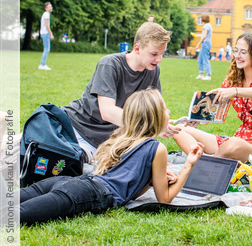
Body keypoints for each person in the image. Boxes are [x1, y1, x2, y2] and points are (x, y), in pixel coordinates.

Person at [19, 89, 205, 225]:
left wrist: (150, 181)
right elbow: (164, 198)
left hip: (69, 181)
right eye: (165, 110)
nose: (169, 113)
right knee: (16, 215)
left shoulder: (124, 138)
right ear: (155, 117)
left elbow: (129, 189)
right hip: (88, 193)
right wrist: (188, 164)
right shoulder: (157, 148)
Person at [63, 22, 177, 164]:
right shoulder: (110, 64)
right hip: (79, 130)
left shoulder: (153, 71)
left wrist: (162, 122)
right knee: (70, 163)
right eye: (154, 54)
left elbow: (155, 110)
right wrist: (149, 125)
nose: (159, 60)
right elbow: (108, 112)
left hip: (113, 141)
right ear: (137, 48)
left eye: (162, 54)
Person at [173, 32, 252, 167]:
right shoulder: (234, 80)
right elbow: (215, 111)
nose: (237, 56)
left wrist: (234, 92)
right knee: (179, 129)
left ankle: (204, 166)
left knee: (232, 145)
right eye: (236, 51)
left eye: (243, 52)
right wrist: (198, 118)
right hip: (241, 136)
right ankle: (203, 161)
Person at [195, 15, 212, 80]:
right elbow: (204, 35)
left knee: (205, 60)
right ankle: (201, 74)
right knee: (200, 60)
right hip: (205, 44)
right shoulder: (208, 25)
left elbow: (204, 36)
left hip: (205, 44)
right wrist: (197, 35)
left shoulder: (206, 26)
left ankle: (208, 75)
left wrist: (198, 44)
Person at [38, 2, 54, 70]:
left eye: (51, 6)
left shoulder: (45, 14)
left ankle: (42, 64)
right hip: (45, 33)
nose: (51, 8)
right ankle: (42, 64)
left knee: (47, 49)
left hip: (44, 33)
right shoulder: (46, 14)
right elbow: (47, 25)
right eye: (49, 7)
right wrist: (51, 34)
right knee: (46, 49)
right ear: (46, 8)